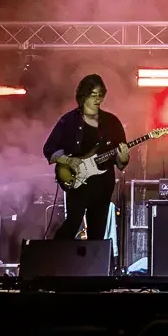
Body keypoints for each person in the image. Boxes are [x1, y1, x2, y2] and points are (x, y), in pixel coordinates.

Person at [43, 74, 129, 241]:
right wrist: (68, 160)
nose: (98, 99)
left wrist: (124, 158)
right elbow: (48, 148)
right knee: (72, 223)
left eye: (101, 95)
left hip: (103, 184)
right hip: (78, 181)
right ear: (83, 95)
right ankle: (55, 259)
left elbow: (121, 163)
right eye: (93, 95)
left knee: (97, 230)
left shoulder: (112, 122)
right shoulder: (68, 121)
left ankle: (93, 265)